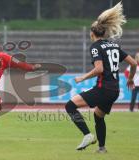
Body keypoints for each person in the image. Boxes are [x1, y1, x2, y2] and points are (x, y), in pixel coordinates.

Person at [65, 2, 137, 153]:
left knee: (70, 106)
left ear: (92, 34)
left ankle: (87, 135)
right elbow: (134, 63)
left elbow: (99, 69)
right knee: (98, 115)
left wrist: (82, 78)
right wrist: (130, 79)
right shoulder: (114, 46)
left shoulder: (96, 47)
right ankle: (102, 148)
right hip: (114, 90)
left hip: (103, 88)